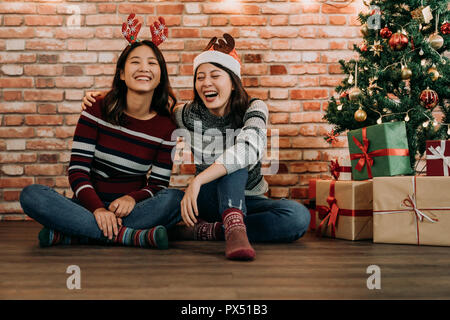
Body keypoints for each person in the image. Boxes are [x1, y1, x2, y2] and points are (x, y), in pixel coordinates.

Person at [82, 34, 311, 261]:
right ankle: (232, 228)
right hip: (208, 200)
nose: (206, 83)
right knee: (232, 163)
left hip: (250, 199)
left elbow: (249, 148)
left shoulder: (254, 108)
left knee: (297, 217)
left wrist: (198, 180)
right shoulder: (187, 115)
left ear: (233, 82)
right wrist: (104, 98)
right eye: (200, 77)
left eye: (215, 75)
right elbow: (147, 109)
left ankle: (212, 230)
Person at [20, 17, 184, 249]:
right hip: (86, 206)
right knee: (31, 195)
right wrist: (97, 208)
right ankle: (127, 236)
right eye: (135, 62)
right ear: (122, 74)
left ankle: (76, 234)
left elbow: (158, 185)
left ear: (160, 76)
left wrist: (131, 198)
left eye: (152, 63)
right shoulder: (97, 107)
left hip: (131, 210)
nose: (144, 68)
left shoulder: (167, 126)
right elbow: (77, 170)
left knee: (175, 200)